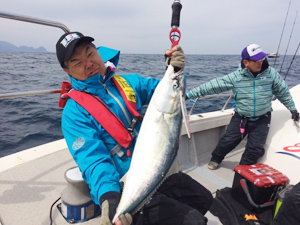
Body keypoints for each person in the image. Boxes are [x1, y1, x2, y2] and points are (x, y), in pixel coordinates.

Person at [56, 31, 213, 225]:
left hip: (157, 169)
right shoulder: (74, 113)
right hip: (127, 185)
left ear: (97, 51)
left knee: (205, 199)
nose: (89, 64)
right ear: (67, 71)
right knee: (196, 222)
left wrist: (174, 71)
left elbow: (170, 93)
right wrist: (109, 198)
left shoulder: (127, 82)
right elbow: (93, 161)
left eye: (90, 53)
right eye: (77, 62)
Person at [186, 44, 299, 170]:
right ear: (246, 62)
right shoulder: (236, 76)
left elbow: (282, 91)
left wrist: (292, 108)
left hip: (263, 118)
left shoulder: (271, 74)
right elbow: (212, 86)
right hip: (241, 118)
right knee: (227, 141)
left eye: (262, 59)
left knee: (255, 148)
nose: (261, 63)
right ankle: (216, 158)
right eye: (256, 61)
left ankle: (243, 171)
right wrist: (189, 95)